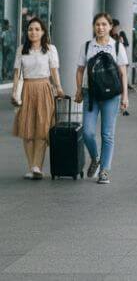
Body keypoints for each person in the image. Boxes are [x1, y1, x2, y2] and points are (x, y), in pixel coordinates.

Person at [76, 12, 129, 185]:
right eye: (97, 24)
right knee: (87, 132)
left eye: (104, 24)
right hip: (90, 93)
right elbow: (80, 70)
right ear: (94, 26)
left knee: (107, 134)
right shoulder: (86, 47)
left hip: (111, 96)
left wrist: (125, 96)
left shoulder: (117, 47)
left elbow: (123, 73)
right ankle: (95, 157)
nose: (100, 27)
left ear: (110, 26)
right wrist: (78, 90)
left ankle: (104, 170)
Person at [11, 17, 64, 180]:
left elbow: (54, 71)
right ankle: (32, 166)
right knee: (27, 130)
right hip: (26, 89)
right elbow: (17, 73)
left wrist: (59, 88)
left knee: (42, 129)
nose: (33, 32)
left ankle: (37, 167)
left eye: (36, 29)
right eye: (30, 29)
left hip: (44, 89)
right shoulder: (22, 49)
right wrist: (15, 93)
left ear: (43, 32)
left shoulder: (50, 49)